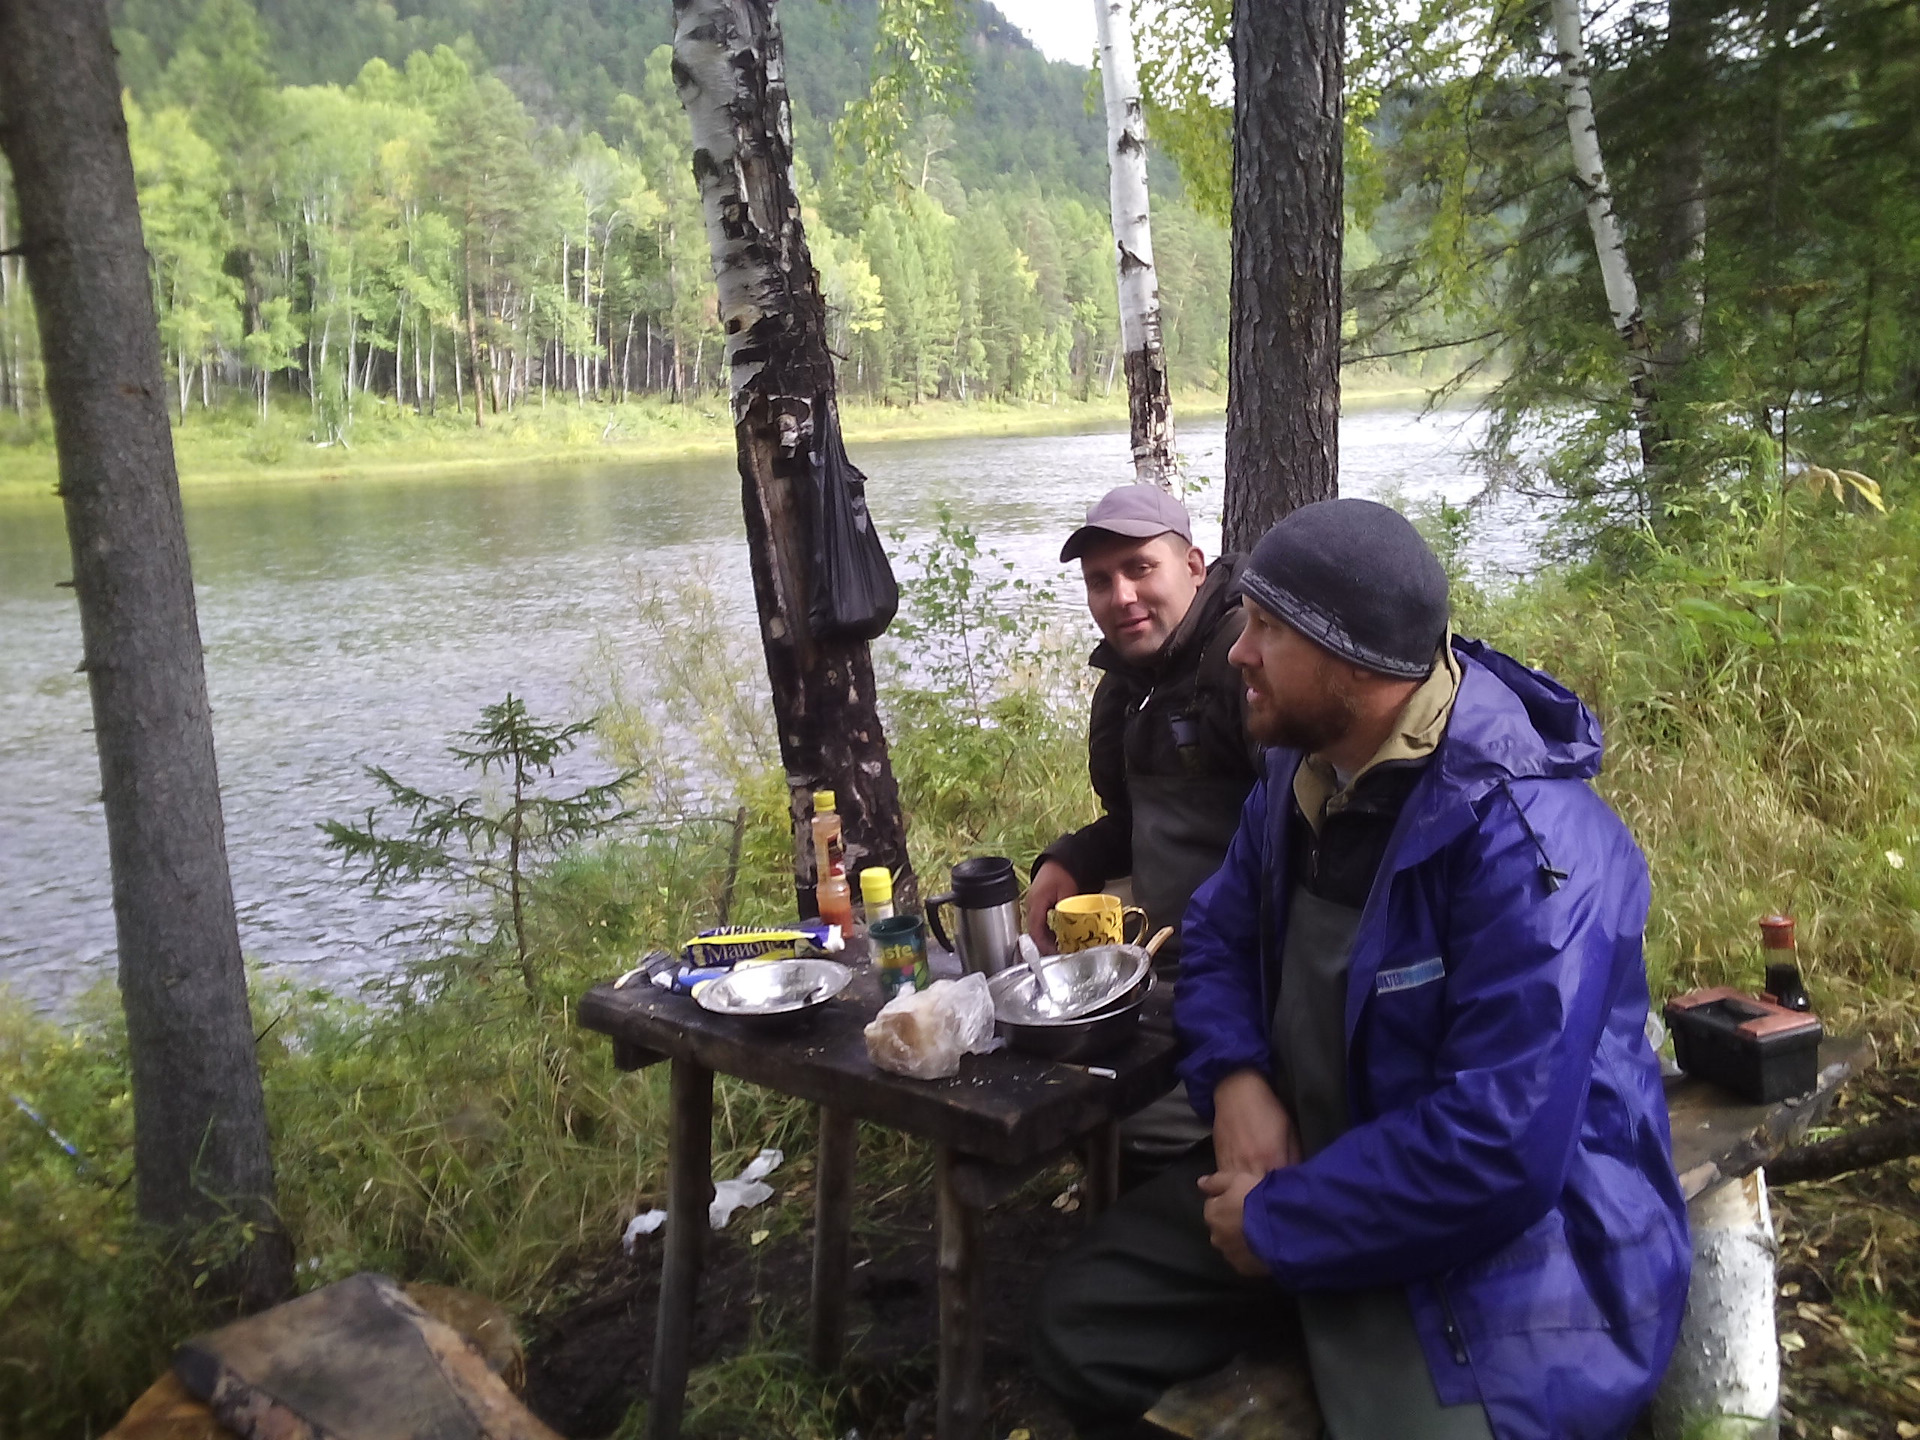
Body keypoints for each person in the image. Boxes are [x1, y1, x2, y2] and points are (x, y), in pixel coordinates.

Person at [1031, 499, 1690, 1440]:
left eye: (1265, 631)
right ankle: (1307, 1303)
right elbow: (1216, 936)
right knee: (1080, 1324)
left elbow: (1500, 1149)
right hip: (1317, 1149)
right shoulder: (1302, 777)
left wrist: (1279, 1225)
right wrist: (1240, 1080)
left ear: (1351, 663)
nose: (1236, 653)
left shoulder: (1537, 847)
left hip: (1511, 1231)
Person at [1028, 484, 1258, 968]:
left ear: (1194, 567)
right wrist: (1070, 859)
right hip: (1154, 950)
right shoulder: (1123, 687)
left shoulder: (1243, 662)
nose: (1121, 597)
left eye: (1140, 568)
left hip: (1241, 963)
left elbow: (1300, 839)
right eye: (1099, 581)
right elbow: (1136, 827)